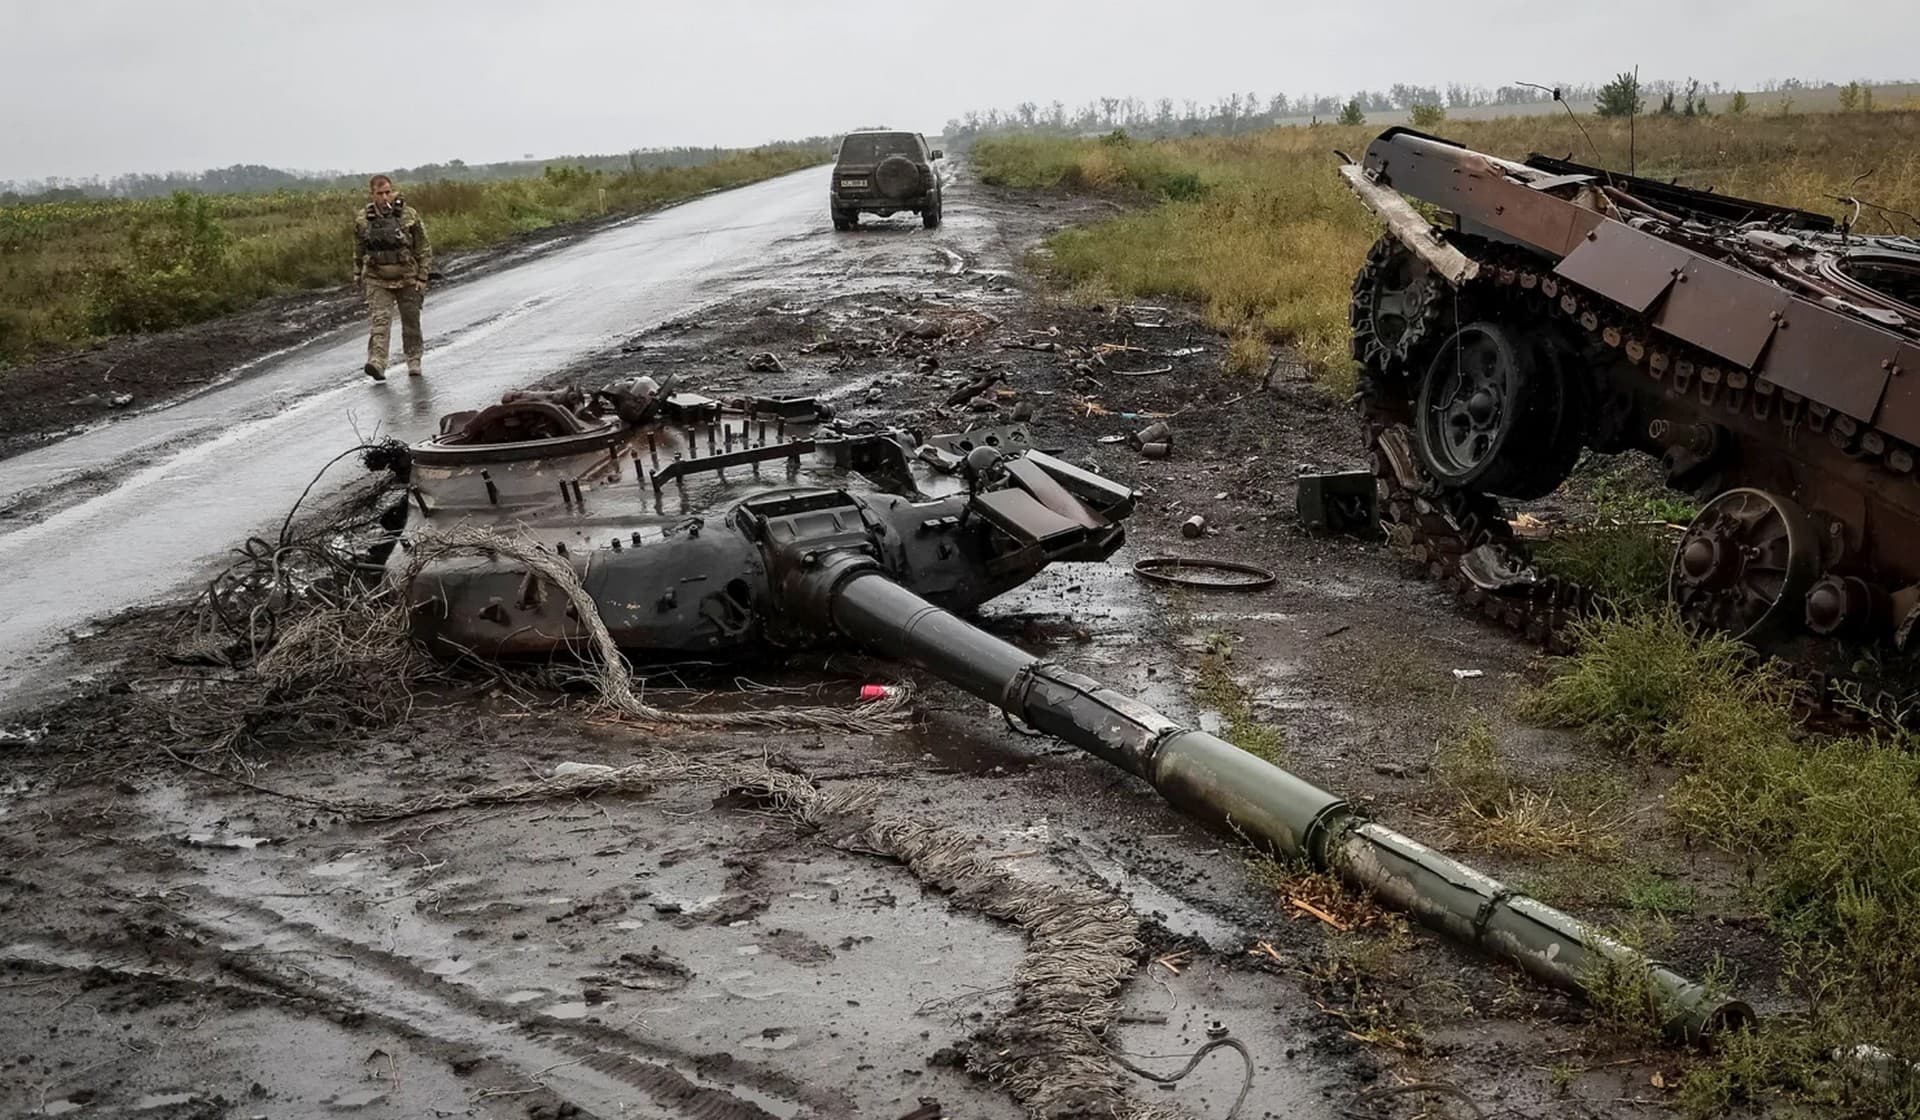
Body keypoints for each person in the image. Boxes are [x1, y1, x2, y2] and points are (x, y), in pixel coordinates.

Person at [352, 174, 432, 380]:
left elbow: (423, 246)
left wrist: (422, 277)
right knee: (380, 321)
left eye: (388, 191)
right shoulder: (363, 219)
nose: (385, 197)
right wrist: (356, 273)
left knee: (411, 321)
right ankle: (377, 362)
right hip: (377, 278)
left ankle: (414, 359)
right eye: (380, 193)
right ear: (372, 194)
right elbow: (359, 248)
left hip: (407, 276)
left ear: (393, 190)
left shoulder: (409, 215)